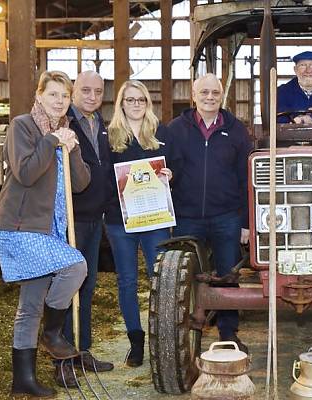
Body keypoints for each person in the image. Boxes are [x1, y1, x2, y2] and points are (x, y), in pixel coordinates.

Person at [0, 70, 89, 397]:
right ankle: (52, 333)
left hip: (52, 229)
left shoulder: (65, 132)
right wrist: (51, 141)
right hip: (23, 227)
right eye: (53, 94)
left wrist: (72, 149)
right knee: (76, 267)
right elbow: (26, 172)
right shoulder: (23, 126)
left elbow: (81, 184)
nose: (59, 101)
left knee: (30, 305)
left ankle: (23, 381)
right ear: (39, 95)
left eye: (65, 96)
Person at [166, 73, 253, 353]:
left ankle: (228, 333)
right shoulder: (175, 129)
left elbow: (246, 179)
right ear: (193, 95)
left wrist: (245, 222)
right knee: (184, 275)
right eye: (204, 92)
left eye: (215, 93)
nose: (209, 97)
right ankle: (183, 331)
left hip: (226, 216)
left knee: (228, 275)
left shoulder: (236, 130)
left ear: (222, 96)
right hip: (186, 216)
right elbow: (164, 169)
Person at [104, 79, 174, 368]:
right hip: (120, 220)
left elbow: (174, 165)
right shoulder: (109, 136)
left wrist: (169, 175)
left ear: (148, 103)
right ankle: (136, 339)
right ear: (121, 103)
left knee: (160, 277)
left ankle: (162, 335)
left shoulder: (160, 133)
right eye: (130, 99)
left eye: (141, 99)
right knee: (127, 280)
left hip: (154, 217)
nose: (136, 104)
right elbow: (102, 176)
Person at [53, 70, 114, 385]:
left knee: (87, 286)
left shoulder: (100, 124)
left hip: (94, 218)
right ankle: (62, 360)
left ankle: (82, 349)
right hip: (71, 219)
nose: (92, 96)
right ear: (74, 91)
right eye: (86, 90)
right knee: (66, 287)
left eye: (98, 91)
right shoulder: (64, 124)